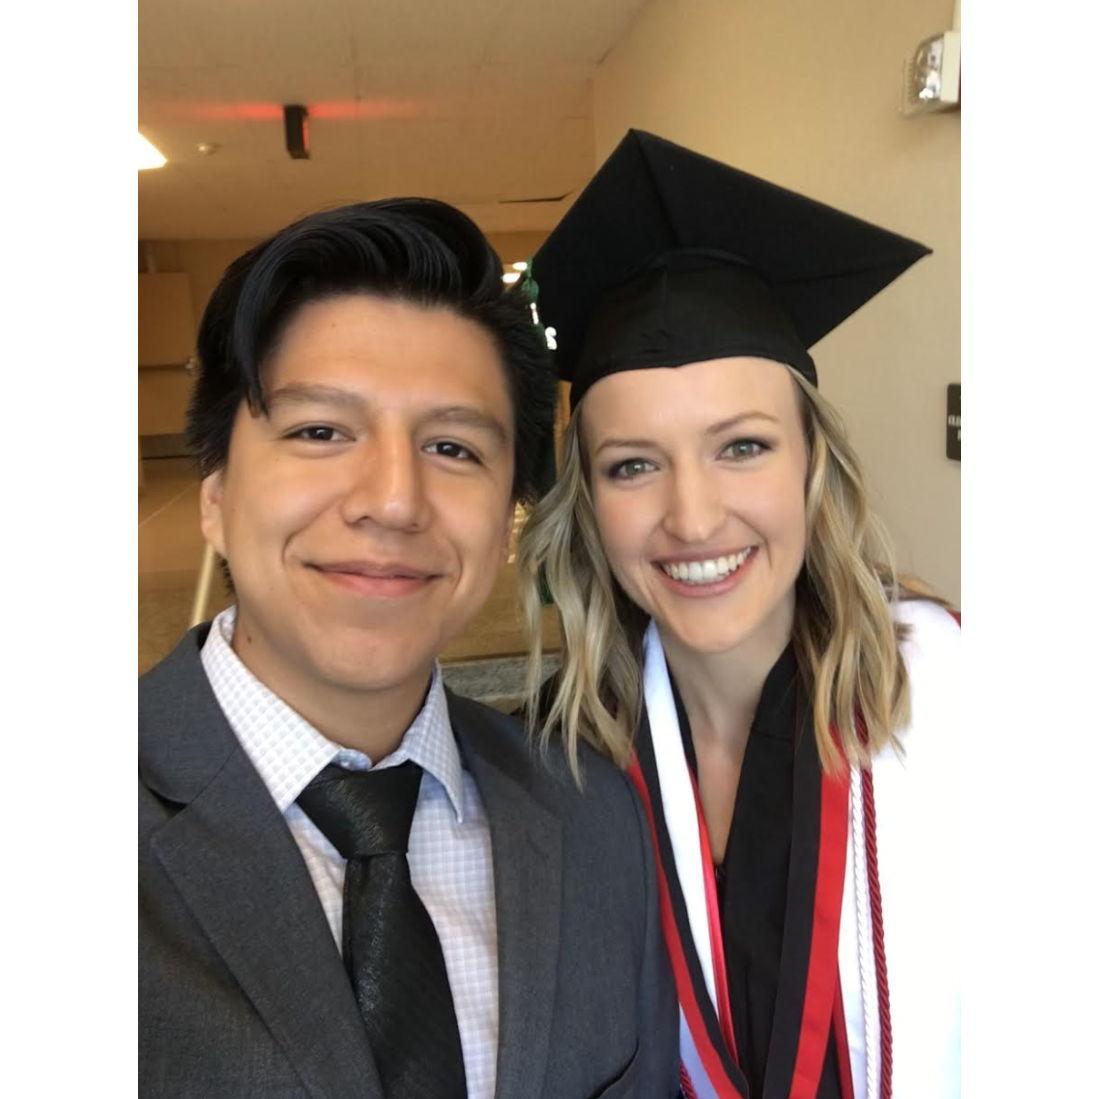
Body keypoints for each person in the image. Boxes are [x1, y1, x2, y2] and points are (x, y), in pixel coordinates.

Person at [139, 198, 680, 1098]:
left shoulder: (592, 817)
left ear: (509, 513)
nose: (393, 500)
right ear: (214, 493)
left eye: (452, 446)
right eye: (319, 431)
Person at [518, 131, 960, 1099]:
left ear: (814, 466)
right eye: (631, 464)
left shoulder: (967, 701)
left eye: (742, 447)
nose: (692, 515)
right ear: (587, 503)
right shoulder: (569, 752)